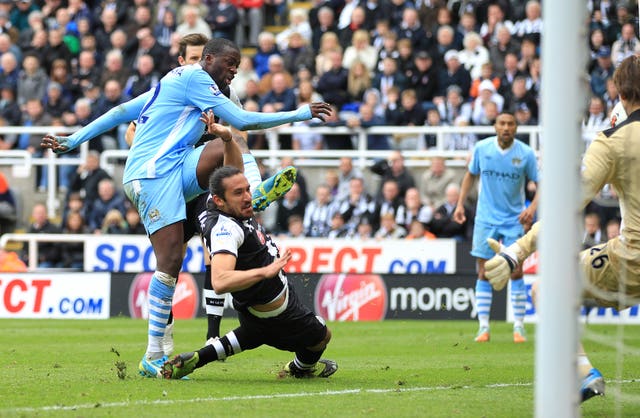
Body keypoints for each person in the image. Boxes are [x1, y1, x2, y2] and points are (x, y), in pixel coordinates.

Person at [41, 37, 332, 378]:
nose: (234, 71)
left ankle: (253, 192)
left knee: (228, 139)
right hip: (150, 176)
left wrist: (74, 138)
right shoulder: (194, 78)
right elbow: (244, 118)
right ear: (208, 60)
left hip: (176, 166)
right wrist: (301, 112)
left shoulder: (175, 81)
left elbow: (122, 111)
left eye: (237, 66)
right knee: (170, 261)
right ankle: (153, 354)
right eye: (229, 64)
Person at [483, 56, 640, 402]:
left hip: (635, 257)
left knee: (547, 290)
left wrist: (518, 250)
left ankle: (583, 371)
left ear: (618, 92)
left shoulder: (612, 141)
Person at [161, 166, 337, 380]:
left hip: (256, 311)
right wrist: (265, 271)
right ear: (218, 200)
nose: (247, 197)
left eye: (247, 189)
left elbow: (234, 160)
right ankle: (300, 368)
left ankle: (201, 357)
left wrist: (228, 139)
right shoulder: (226, 229)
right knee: (322, 334)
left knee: (252, 334)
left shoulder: (217, 204)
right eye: (239, 193)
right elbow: (220, 280)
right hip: (278, 312)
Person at [453, 112, 539, 344]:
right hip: (486, 219)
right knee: (483, 272)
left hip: (514, 220)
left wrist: (532, 209)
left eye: (510, 124)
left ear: (516, 128)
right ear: (495, 126)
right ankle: (483, 328)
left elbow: (541, 183)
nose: (506, 127)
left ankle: (519, 327)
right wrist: (460, 204)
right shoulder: (482, 149)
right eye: (502, 123)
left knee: (516, 270)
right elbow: (469, 176)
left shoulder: (526, 153)